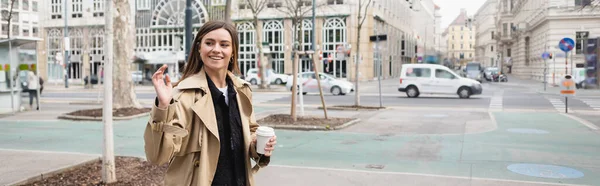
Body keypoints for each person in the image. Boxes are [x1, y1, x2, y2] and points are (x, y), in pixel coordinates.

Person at [144, 20, 277, 186]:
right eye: (209, 43)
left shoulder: (242, 90)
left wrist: (257, 144)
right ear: (199, 48)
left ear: (233, 51)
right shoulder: (183, 94)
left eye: (224, 44)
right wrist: (163, 107)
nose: (216, 49)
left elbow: (249, 132)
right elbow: (158, 155)